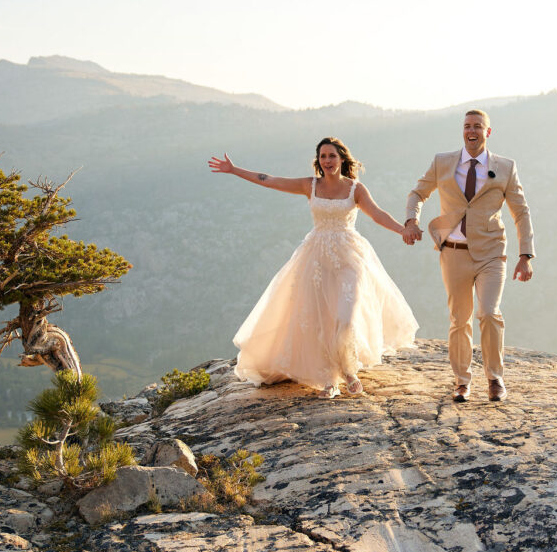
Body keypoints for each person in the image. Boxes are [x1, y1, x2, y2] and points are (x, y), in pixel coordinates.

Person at [209, 138, 419, 397]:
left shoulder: (356, 189)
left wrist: (403, 230)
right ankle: (330, 379)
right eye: (323, 157)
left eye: (332, 156)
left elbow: (377, 214)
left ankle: (349, 368)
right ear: (318, 161)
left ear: (342, 159)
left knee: (345, 317)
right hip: (316, 258)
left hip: (350, 257)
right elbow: (269, 179)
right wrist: (234, 169)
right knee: (322, 320)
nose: (327, 161)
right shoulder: (310, 185)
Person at [403, 109, 534, 402]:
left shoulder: (505, 167)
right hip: (454, 253)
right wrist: (411, 220)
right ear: (462, 131)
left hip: (491, 252)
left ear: (488, 132)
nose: (471, 131)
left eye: (477, 126)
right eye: (466, 126)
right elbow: (417, 194)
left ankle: (495, 378)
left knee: (488, 313)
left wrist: (525, 254)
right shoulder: (443, 162)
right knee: (459, 319)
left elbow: (521, 212)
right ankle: (462, 381)